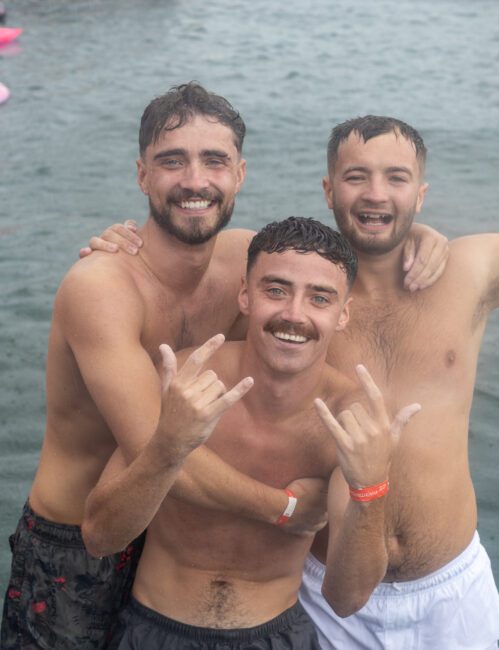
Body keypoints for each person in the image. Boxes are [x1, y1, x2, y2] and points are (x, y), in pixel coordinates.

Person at [91, 114, 499, 649]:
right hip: (322, 591)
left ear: (421, 194)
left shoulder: (471, 271)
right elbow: (186, 255)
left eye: (396, 179)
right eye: (357, 177)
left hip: (448, 588)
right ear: (329, 190)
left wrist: (428, 237)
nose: (376, 195)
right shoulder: (299, 289)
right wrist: (126, 246)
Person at [1, 83, 445, 649]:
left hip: (167, 536)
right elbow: (158, 449)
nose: (194, 181)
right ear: (142, 177)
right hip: (82, 537)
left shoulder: (244, 257)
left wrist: (417, 237)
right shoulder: (102, 287)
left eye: (213, 161)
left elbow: (323, 260)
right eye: (171, 161)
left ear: (239, 174)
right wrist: (287, 507)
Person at [82, 216, 421, 649]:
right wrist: (167, 448)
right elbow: (99, 538)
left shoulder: (349, 417)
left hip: (276, 633)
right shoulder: (188, 380)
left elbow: (347, 598)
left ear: (343, 314)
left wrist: (369, 488)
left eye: (319, 298)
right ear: (245, 295)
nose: (294, 314)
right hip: (153, 628)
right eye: (275, 290)